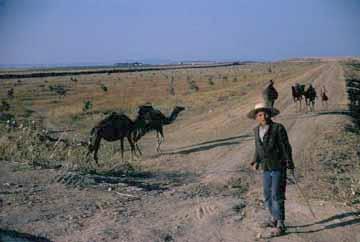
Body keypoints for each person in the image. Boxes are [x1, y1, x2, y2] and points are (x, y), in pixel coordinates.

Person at [247, 103, 295, 236]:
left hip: (279, 165)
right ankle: (273, 218)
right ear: (257, 117)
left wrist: (290, 164)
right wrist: (255, 160)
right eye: (260, 114)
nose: (264, 116)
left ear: (269, 114)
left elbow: (286, 147)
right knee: (267, 194)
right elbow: (258, 147)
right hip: (266, 167)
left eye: (265, 113)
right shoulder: (256, 130)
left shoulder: (278, 128)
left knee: (276, 194)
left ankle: (281, 223)